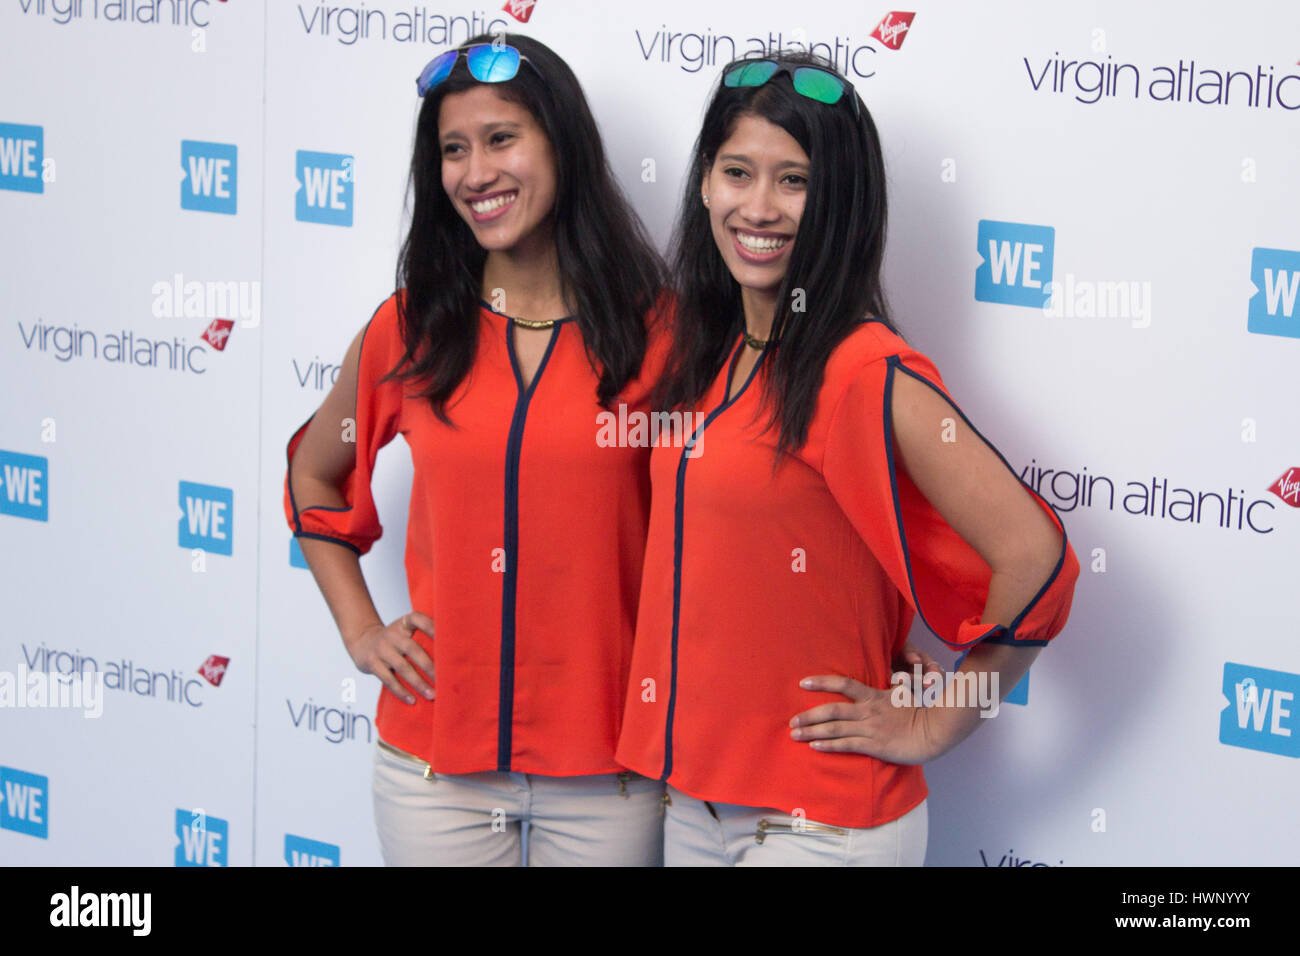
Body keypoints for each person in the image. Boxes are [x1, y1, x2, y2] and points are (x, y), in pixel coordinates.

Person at [615, 52, 1082, 866]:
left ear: (840, 203)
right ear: (703, 184)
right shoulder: (710, 352)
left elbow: (1039, 563)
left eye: (794, 181)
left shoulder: (863, 369)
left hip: (823, 826)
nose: (758, 206)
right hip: (696, 806)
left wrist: (937, 721)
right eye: (737, 172)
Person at [283, 33, 671, 866]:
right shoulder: (412, 328)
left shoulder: (663, 335)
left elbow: (743, 511)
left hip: (611, 771)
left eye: (501, 139)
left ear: (562, 144)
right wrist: (361, 630)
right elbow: (316, 473)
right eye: (453, 150)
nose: (474, 172)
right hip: (435, 770)